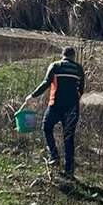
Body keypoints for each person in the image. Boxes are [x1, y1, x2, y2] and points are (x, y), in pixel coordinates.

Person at [26, 46, 85, 178]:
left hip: (56, 105)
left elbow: (46, 82)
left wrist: (33, 95)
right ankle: (69, 170)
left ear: (62, 55)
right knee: (68, 137)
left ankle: (54, 156)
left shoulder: (55, 66)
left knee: (46, 128)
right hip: (72, 108)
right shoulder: (79, 68)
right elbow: (81, 90)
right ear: (73, 56)